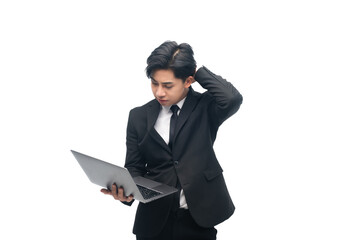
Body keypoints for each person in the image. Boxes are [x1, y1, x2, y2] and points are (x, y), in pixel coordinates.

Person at [101, 41, 243, 240]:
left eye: (167, 85)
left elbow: (231, 99)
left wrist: (197, 71)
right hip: (153, 221)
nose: (159, 92)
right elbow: (134, 167)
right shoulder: (138, 116)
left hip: (199, 218)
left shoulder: (205, 107)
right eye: (154, 83)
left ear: (188, 80)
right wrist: (126, 192)